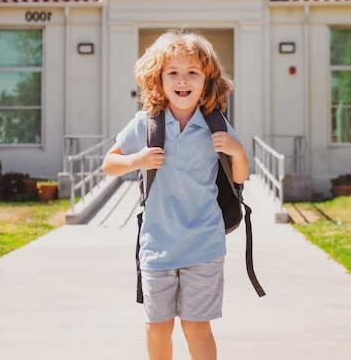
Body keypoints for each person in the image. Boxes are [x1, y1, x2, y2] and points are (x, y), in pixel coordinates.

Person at [102, 28, 248, 360]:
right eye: (173, 73)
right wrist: (137, 160)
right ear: (159, 79)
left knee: (197, 327)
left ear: (206, 79)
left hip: (204, 246)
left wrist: (238, 151)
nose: (183, 80)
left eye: (192, 72)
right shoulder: (146, 123)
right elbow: (109, 163)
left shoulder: (216, 125)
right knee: (158, 326)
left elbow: (239, 177)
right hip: (157, 246)